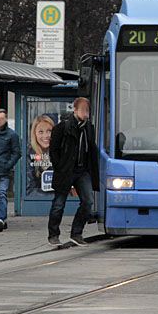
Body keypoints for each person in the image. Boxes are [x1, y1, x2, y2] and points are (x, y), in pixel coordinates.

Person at [47, 97, 98, 247]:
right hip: (66, 170)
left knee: (88, 201)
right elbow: (54, 151)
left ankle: (76, 233)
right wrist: (60, 167)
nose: (86, 114)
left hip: (82, 171)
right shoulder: (62, 127)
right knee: (59, 204)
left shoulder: (89, 127)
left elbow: (91, 150)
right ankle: (53, 235)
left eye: (87, 110)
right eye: (83, 110)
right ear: (75, 110)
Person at [26, 114, 55, 196]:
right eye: (41, 132)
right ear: (34, 134)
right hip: (37, 204)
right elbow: (28, 190)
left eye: (49, 131)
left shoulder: (61, 152)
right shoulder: (28, 155)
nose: (46, 136)